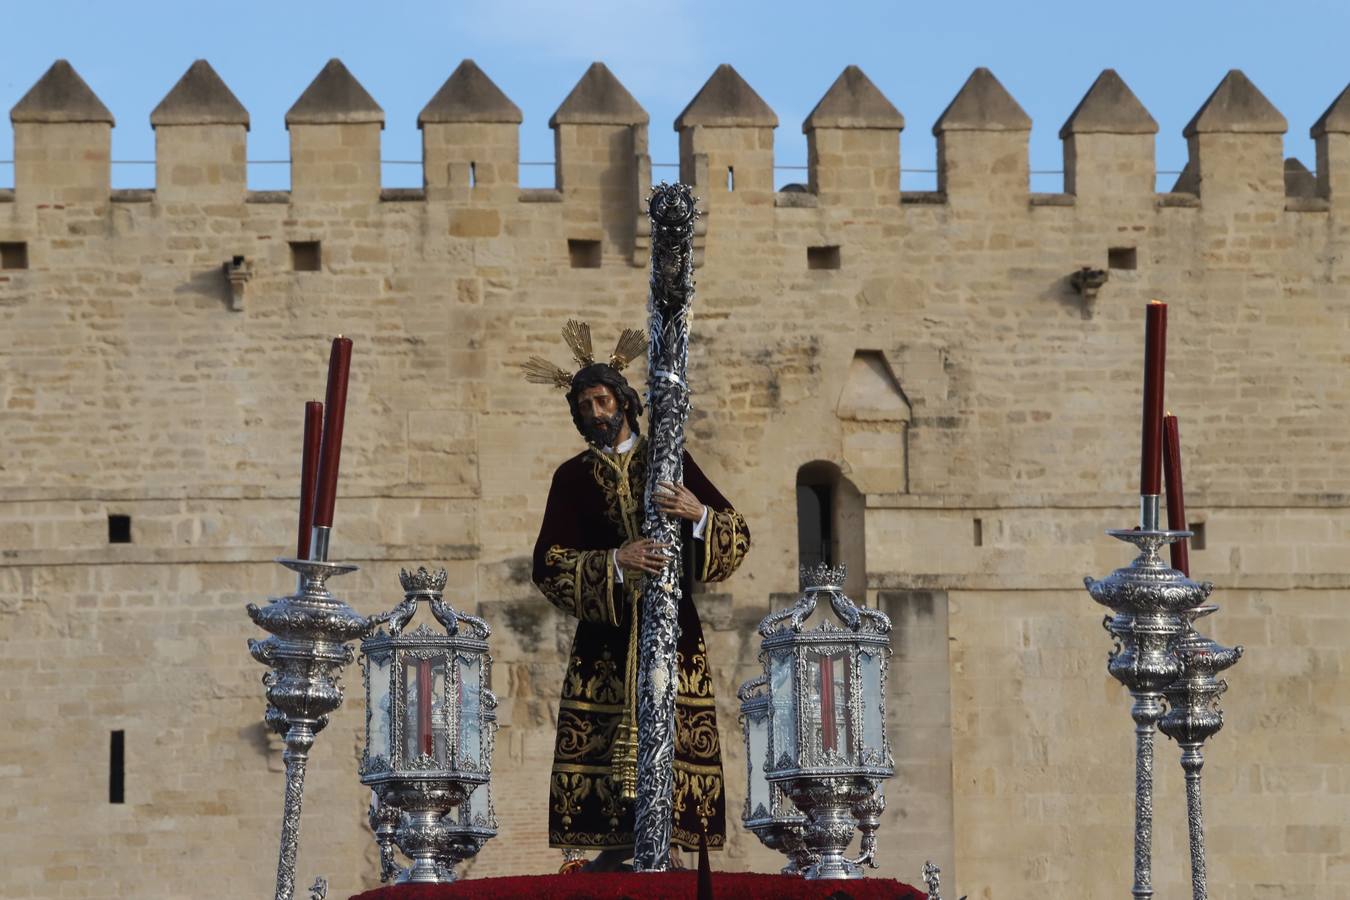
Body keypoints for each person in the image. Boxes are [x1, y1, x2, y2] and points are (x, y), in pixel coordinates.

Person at [525, 321, 750, 871]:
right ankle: (614, 846)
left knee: (673, 729)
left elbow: (737, 533)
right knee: (605, 738)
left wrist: (698, 514)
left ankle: (670, 841)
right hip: (605, 639)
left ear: (624, 402)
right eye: (584, 406)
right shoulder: (572, 478)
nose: (594, 413)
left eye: (602, 401)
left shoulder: (667, 461)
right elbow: (548, 564)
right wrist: (614, 563)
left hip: (673, 629)